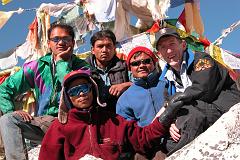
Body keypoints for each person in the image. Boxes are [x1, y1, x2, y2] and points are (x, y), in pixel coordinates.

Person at [39, 68, 184, 160]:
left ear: (93, 90)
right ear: (67, 97)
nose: (81, 93)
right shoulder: (59, 128)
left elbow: (143, 137)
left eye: (85, 88)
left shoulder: (112, 120)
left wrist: (165, 118)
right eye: (74, 91)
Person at [0, 23, 90, 160]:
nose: (60, 42)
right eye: (56, 39)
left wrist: (61, 62)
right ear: (48, 43)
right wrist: (10, 110)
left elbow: (70, 85)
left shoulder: (83, 68)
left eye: (66, 39)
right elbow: (4, 88)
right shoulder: (36, 67)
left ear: (72, 42)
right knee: (8, 119)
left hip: (74, 123)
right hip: (44, 123)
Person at [155, 27, 240, 154]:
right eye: (163, 47)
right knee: (168, 139)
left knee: (190, 112)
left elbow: (203, 90)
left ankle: (179, 156)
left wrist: (174, 104)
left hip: (224, 109)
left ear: (183, 45)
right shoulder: (167, 80)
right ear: (160, 54)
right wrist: (172, 123)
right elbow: (170, 105)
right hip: (198, 114)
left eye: (172, 44)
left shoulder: (201, 60)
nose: (168, 50)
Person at [85, 30, 132, 111]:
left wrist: (125, 85)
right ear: (92, 50)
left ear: (114, 48)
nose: (104, 50)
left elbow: (140, 84)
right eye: (100, 46)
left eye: (108, 46)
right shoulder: (84, 70)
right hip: (94, 117)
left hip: (123, 114)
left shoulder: (126, 66)